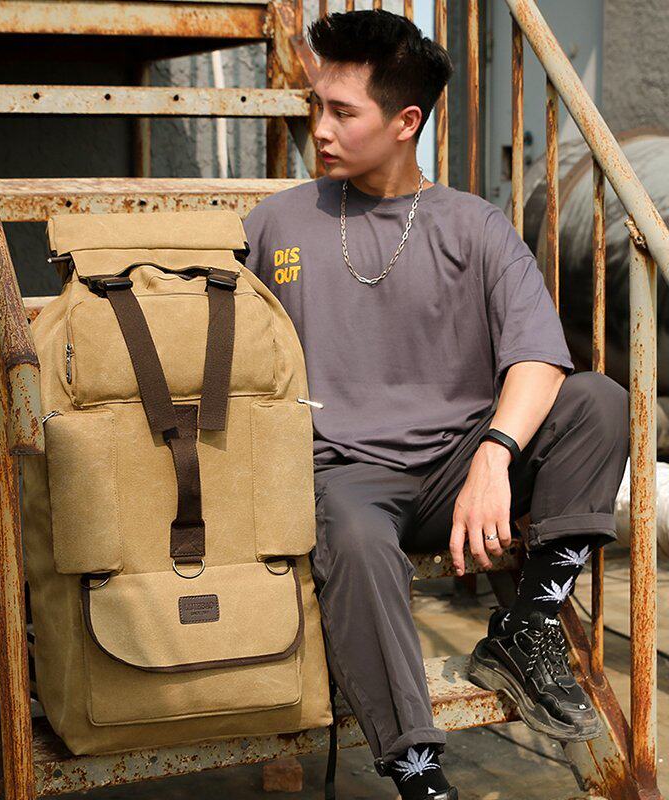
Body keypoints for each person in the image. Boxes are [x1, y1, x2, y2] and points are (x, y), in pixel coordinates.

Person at [241, 9, 629, 800]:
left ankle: (528, 625)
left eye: (342, 112)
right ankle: (420, 775)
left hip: (461, 468)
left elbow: (539, 358)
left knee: (599, 400)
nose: (320, 129)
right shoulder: (277, 222)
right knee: (350, 533)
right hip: (347, 474)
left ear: (405, 122)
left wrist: (495, 453)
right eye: (318, 107)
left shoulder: (473, 225)